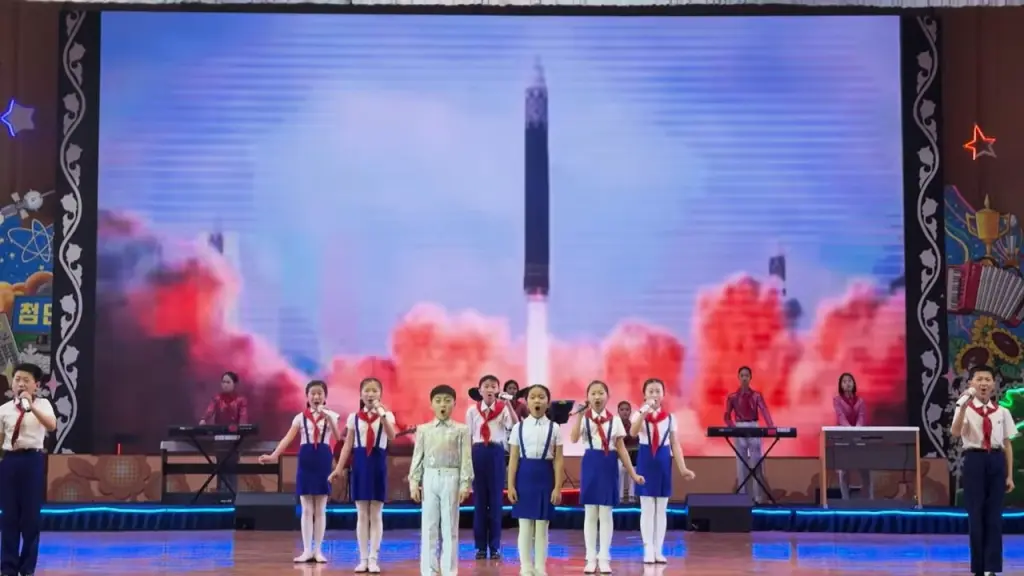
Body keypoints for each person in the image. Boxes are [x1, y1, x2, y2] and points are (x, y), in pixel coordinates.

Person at [259, 380, 341, 563]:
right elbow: (287, 439)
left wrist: (330, 421)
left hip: (323, 458)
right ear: (307, 396)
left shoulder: (332, 416)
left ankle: (318, 550)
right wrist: (273, 456)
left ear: (325, 397)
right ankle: (306, 550)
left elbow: (339, 439)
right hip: (306, 460)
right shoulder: (300, 418)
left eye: (320, 393)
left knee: (320, 508)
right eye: (313, 393)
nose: (316, 397)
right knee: (306, 508)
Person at [570, 380, 644, 574]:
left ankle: (604, 557)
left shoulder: (615, 420)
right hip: (591, 463)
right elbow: (573, 438)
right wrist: (578, 415)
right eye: (593, 393)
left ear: (607, 397)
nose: (597, 396)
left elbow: (621, 448)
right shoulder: (584, 418)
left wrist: (633, 474)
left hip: (609, 463)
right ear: (587, 397)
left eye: (600, 393)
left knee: (606, 513)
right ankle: (590, 557)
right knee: (590, 513)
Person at [951, 364, 1016, 576]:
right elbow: (955, 431)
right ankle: (978, 568)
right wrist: (962, 407)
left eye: (987, 379)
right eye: (979, 379)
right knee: (976, 516)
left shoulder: (1002, 412)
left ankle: (991, 568)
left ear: (993, 384)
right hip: (975, 460)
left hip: (996, 461)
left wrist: (1009, 475)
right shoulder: (966, 409)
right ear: (971, 383)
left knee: (994, 517)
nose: (984, 383)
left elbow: (1007, 443)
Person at [329, 377, 396, 573]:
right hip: (360, 464)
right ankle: (363, 558)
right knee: (362, 513)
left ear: (380, 394)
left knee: (375, 514)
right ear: (361, 394)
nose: (370, 394)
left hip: (377, 463)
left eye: (375, 391)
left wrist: (382, 414)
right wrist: (338, 468)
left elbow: (392, 436)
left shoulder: (387, 416)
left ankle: (374, 558)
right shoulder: (354, 418)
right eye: (367, 390)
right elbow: (347, 445)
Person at [629, 379, 695, 564]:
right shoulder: (639, 415)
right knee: (647, 509)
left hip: (663, 462)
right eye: (651, 391)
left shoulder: (670, 418)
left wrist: (683, 468)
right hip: (645, 462)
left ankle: (658, 549)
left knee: (661, 510)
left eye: (658, 391)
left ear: (663, 395)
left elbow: (675, 444)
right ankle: (648, 548)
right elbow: (633, 433)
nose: (654, 395)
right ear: (645, 395)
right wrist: (644, 410)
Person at [410, 385, 473, 576]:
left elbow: (466, 458)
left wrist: (465, 483)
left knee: (450, 526)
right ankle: (429, 570)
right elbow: (417, 457)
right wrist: (414, 482)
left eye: (447, 400)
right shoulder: (423, 430)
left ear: (454, 403)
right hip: (430, 477)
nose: (442, 404)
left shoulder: (462, 430)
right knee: (429, 526)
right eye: (438, 401)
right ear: (431, 405)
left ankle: (449, 570)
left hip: (451, 477)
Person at [0, 363, 55, 576]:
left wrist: (32, 407)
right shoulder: (4, 409)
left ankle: (27, 567)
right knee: (9, 517)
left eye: (26, 380)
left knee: (31, 518)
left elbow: (51, 426)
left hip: (32, 460)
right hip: (10, 462)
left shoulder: (43, 405)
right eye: (17, 379)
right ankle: (8, 567)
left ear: (36, 385)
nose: (20, 383)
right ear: (11, 383)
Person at [507, 385, 563, 576]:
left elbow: (558, 459)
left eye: (541, 397)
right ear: (527, 401)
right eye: (533, 397)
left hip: (545, 476)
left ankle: (540, 567)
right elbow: (513, 458)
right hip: (525, 476)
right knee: (524, 525)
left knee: (542, 526)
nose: (537, 401)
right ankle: (526, 566)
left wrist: (557, 487)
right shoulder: (518, 427)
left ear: (548, 402)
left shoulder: (555, 428)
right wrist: (511, 485)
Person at [465, 374, 518, 559]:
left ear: (498, 390)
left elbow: (515, 425)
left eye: (493, 386)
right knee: (480, 502)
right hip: (478, 452)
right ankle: (480, 546)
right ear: (480, 390)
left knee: (496, 502)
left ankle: (495, 546)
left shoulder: (503, 409)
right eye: (486, 386)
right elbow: (468, 437)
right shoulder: (472, 411)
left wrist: (509, 403)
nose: (489, 389)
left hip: (496, 453)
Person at [723, 366, 774, 503]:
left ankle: (758, 497)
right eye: (742, 375)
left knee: (757, 463)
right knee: (741, 464)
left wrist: (771, 428)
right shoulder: (732, 397)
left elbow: (765, 411)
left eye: (747, 375)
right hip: (739, 428)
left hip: (754, 427)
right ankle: (742, 496)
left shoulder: (757, 395)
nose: (744, 378)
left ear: (750, 378)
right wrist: (733, 428)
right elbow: (727, 417)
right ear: (738, 378)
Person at [199, 371, 249, 494]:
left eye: (228, 382)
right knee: (220, 466)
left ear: (234, 384)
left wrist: (242, 430)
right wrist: (203, 419)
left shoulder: (241, 400)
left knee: (231, 467)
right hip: (220, 438)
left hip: (234, 439)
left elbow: (243, 418)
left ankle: (232, 494)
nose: (225, 385)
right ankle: (221, 493)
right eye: (223, 382)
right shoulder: (217, 398)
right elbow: (210, 411)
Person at [832, 372, 873, 500]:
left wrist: (857, 432)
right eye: (844, 381)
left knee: (865, 469)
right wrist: (849, 431)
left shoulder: (860, 401)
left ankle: (869, 498)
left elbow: (861, 417)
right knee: (843, 471)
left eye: (850, 381)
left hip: (858, 437)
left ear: (854, 384)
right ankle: (845, 499)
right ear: (841, 385)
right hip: (843, 438)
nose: (847, 383)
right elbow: (841, 417)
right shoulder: (837, 400)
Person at [616, 401, 639, 502]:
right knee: (619, 473)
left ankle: (631, 496)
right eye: (622, 410)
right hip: (618, 456)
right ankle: (619, 497)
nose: (624, 412)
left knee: (633, 475)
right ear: (618, 411)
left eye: (627, 409)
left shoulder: (634, 426)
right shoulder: (614, 426)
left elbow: (637, 444)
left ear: (630, 412)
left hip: (633, 456)